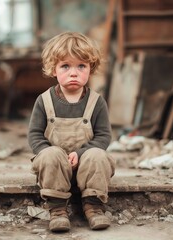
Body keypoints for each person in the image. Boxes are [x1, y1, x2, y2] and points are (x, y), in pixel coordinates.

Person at [28, 32, 115, 232]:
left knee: (98, 155)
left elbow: (103, 135)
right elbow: (34, 134)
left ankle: (93, 207)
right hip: (56, 167)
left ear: (90, 69)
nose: (73, 73)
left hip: (86, 164)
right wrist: (51, 151)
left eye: (81, 66)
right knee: (49, 155)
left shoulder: (96, 102)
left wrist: (81, 153)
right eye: (65, 66)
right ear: (53, 69)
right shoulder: (44, 100)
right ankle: (57, 210)